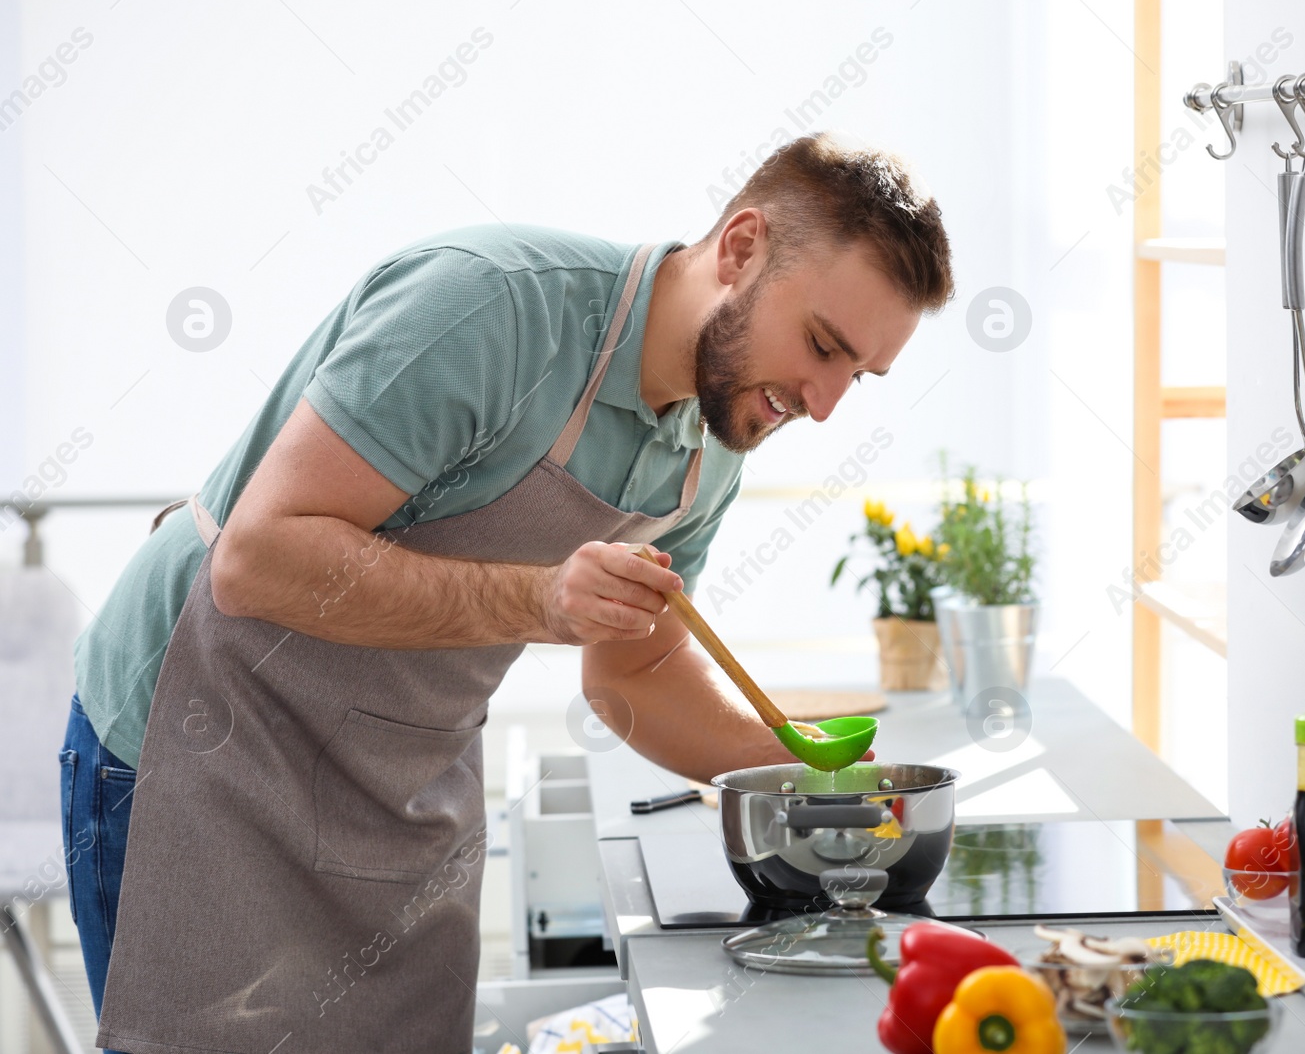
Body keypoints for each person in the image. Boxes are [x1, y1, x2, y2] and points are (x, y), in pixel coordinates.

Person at [61, 132, 955, 1052]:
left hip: (391, 791)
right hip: (199, 749)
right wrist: (538, 602)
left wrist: (804, 772)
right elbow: (258, 560)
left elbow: (633, 671)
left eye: (860, 375)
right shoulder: (491, 308)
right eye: (821, 346)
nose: (824, 403)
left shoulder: (714, 441)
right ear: (740, 248)